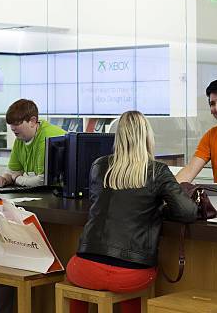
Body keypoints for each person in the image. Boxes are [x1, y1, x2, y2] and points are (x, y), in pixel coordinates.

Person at [67, 111, 197, 313]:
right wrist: (159, 208)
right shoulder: (157, 171)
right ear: (147, 137)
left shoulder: (99, 166)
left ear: (118, 136)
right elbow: (188, 212)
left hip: (85, 268)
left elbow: (98, 202)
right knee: (127, 281)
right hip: (132, 273)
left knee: (80, 280)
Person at [0, 99, 65, 187]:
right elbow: (12, 172)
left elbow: (43, 181)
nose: (12, 128)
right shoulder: (20, 139)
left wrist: (17, 179)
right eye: (11, 124)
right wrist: (4, 178)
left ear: (32, 121)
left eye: (17, 123)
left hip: (60, 194)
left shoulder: (47, 138)